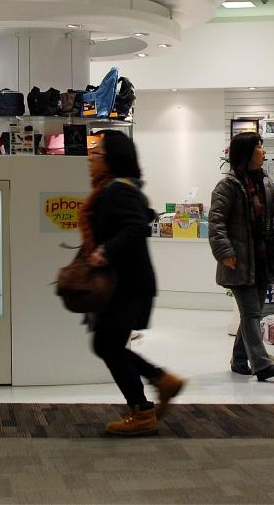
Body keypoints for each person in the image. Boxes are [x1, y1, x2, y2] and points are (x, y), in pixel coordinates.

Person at [83, 131, 184, 436]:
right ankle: (159, 385)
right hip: (127, 284)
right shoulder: (119, 189)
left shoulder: (119, 190)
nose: (91, 159)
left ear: (112, 159)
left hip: (126, 286)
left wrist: (104, 251)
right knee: (108, 344)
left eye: (97, 153)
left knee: (107, 345)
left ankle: (144, 410)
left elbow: (136, 226)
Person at [209, 132, 274, 381]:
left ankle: (239, 360)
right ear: (247, 152)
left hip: (261, 259)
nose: (264, 151)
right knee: (251, 313)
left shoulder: (265, 183)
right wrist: (225, 252)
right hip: (238, 261)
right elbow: (216, 223)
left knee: (253, 311)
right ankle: (262, 365)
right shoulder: (228, 186)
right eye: (259, 146)